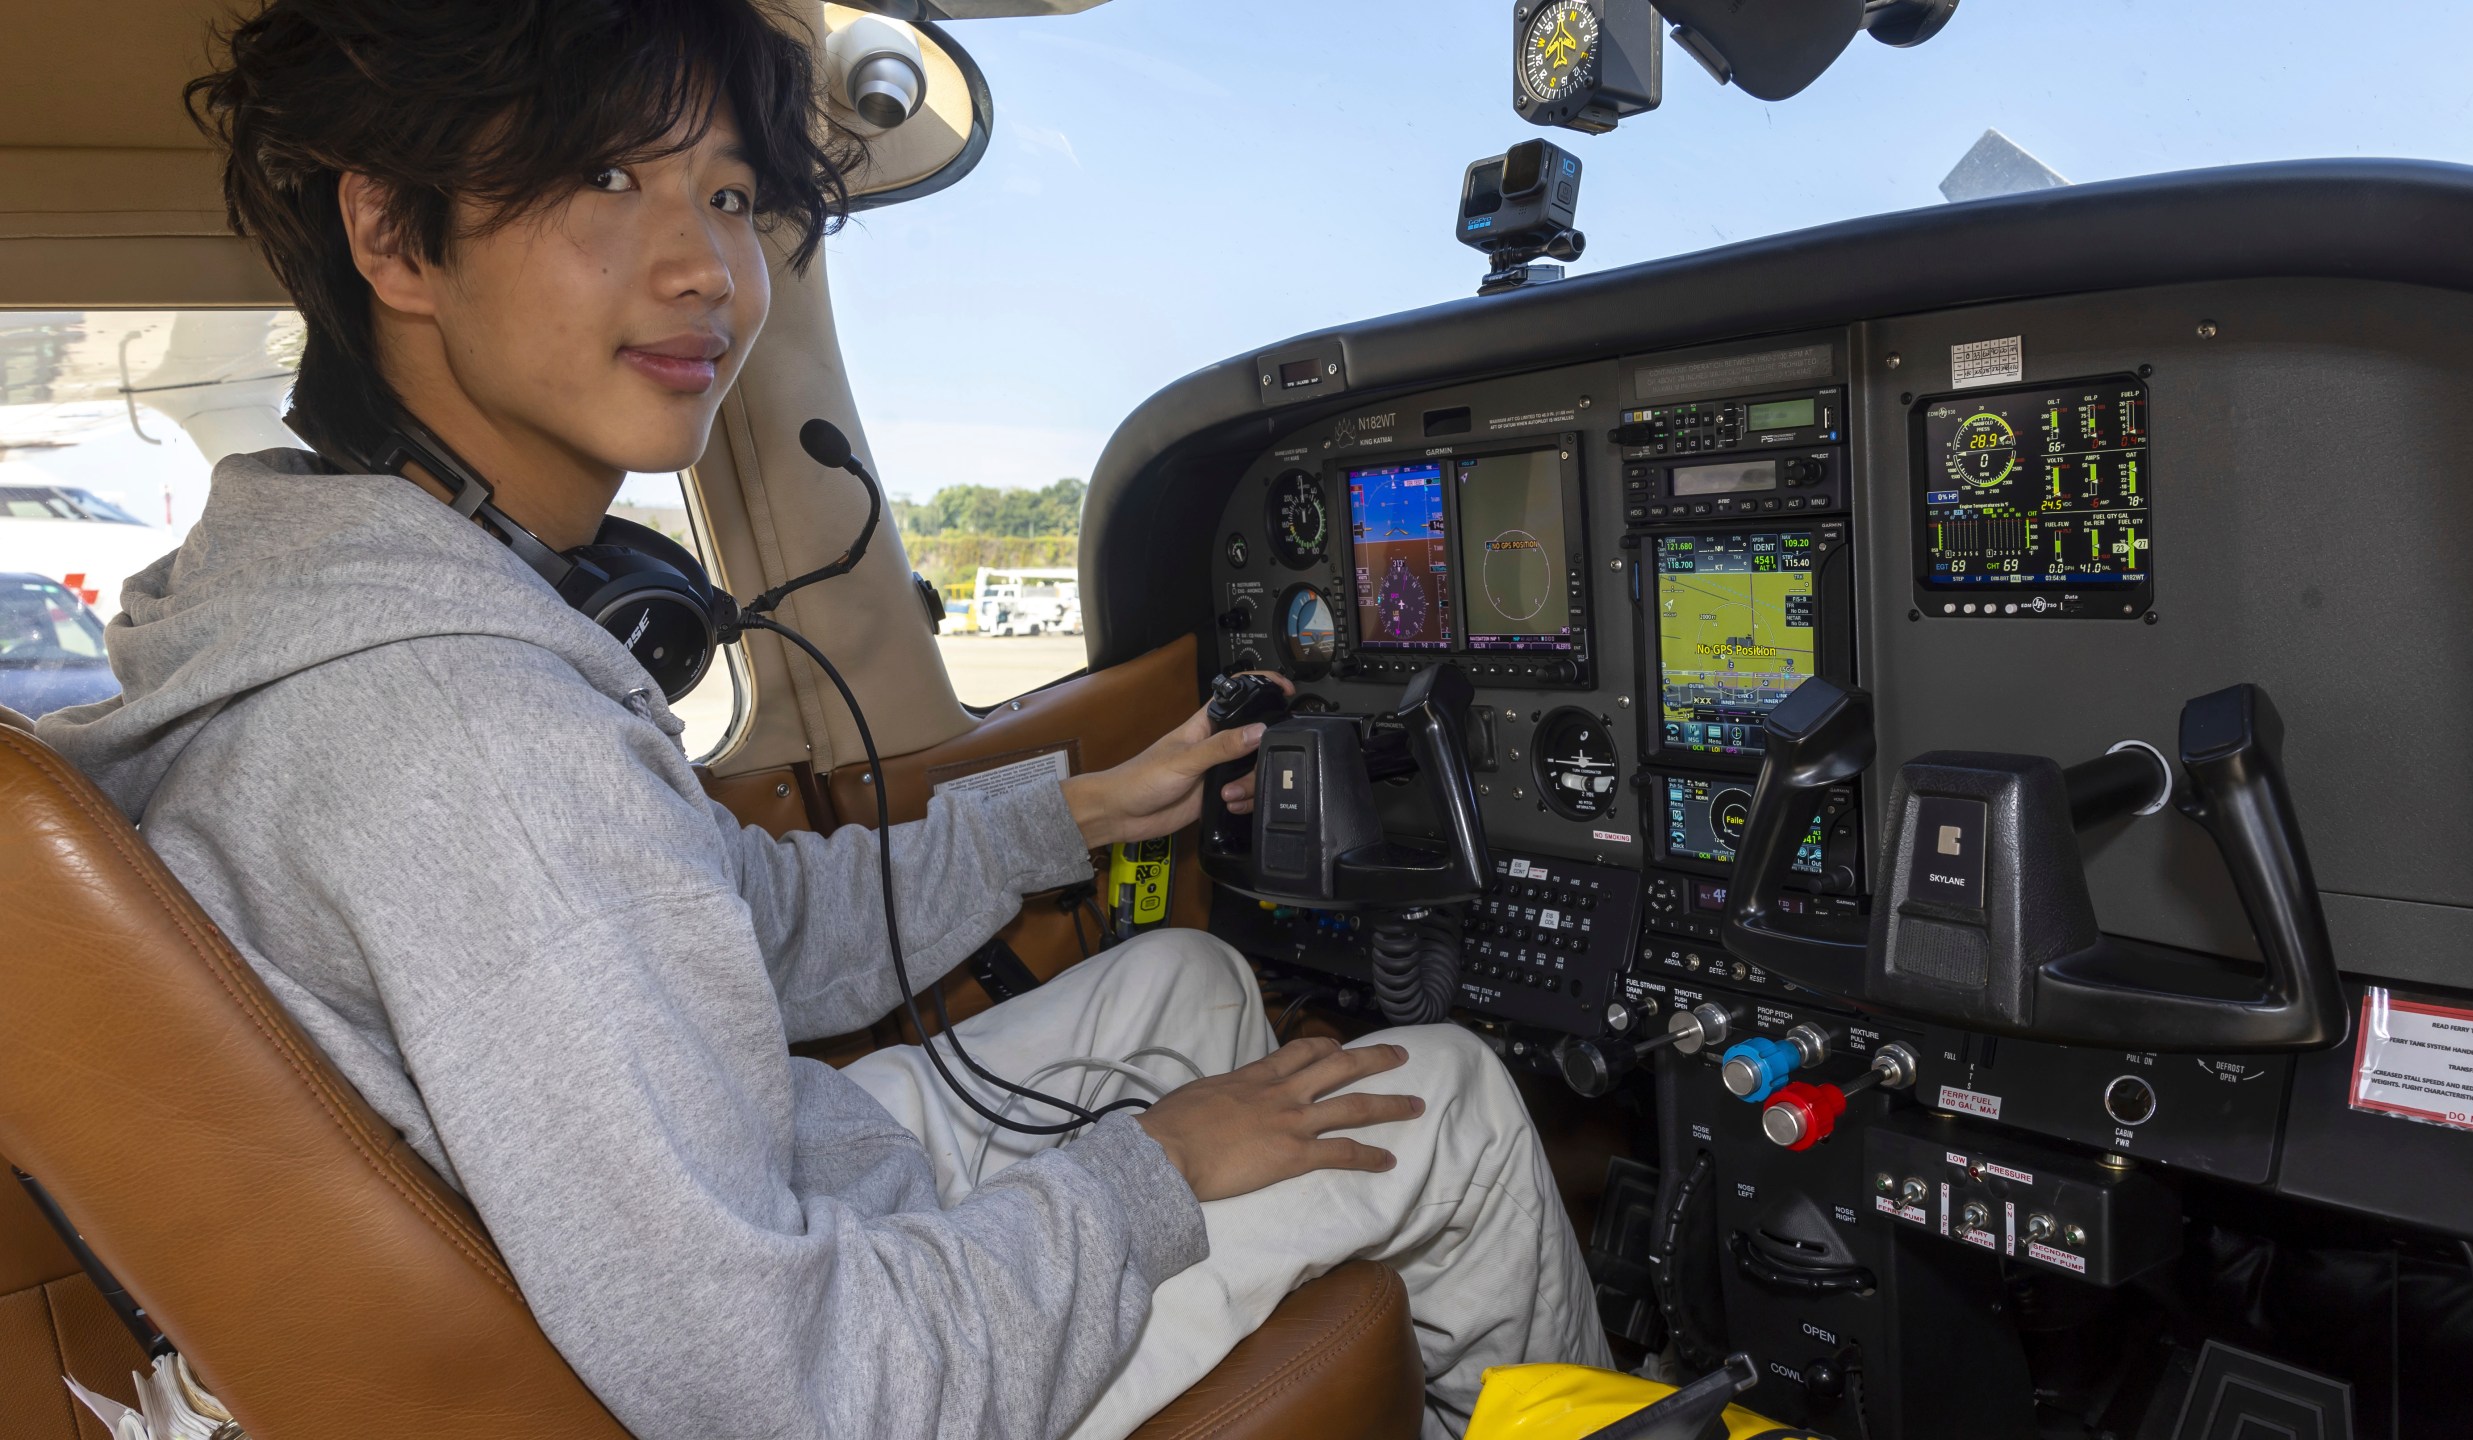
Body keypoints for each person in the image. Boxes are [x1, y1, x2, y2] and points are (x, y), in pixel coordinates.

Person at [38, 2, 1607, 1437]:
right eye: (601, 178)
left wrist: (1072, 813)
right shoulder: (473, 739)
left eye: (727, 195)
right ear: (392, 234)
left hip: (719, 1234)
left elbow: (730, 934)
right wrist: (1157, 1173)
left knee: (1188, 979)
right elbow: (792, 1387)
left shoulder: (359, 604)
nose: (705, 270)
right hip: (796, 1364)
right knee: (1453, 1103)